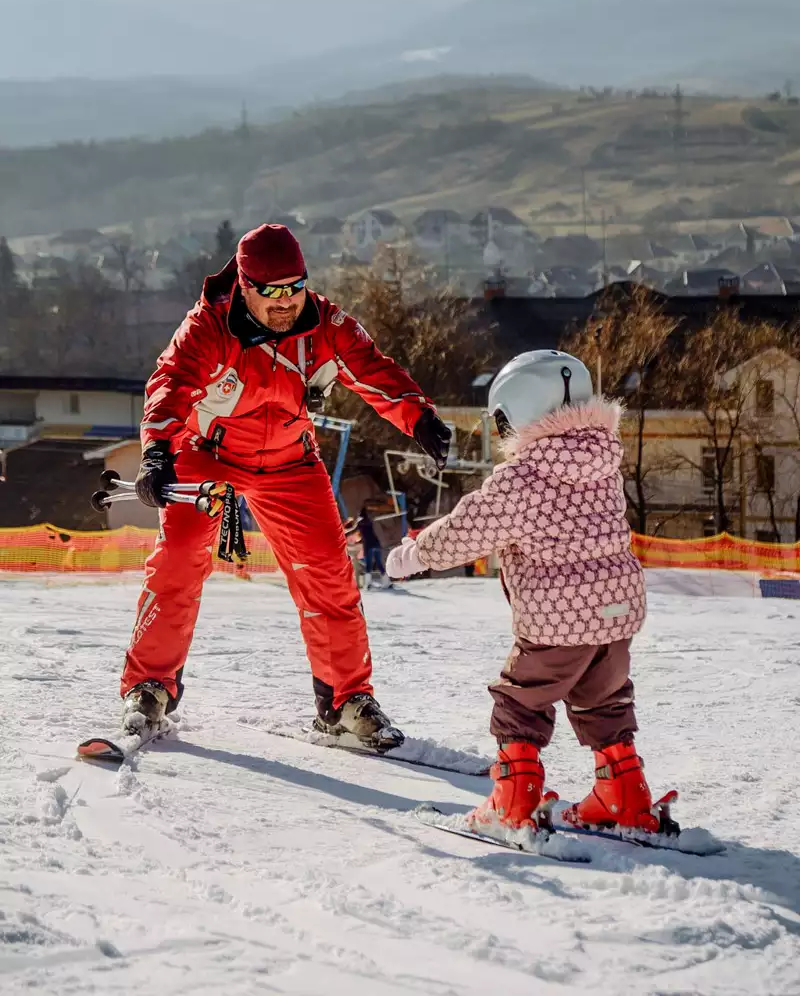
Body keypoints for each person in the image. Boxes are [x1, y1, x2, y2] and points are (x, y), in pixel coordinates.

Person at [122, 223, 451, 747]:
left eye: (295, 286)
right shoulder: (209, 325)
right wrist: (157, 451)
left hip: (289, 461)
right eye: (272, 291)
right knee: (180, 557)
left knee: (329, 572)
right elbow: (172, 382)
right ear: (245, 286)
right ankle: (149, 685)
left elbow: (372, 370)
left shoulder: (325, 322)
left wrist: (420, 418)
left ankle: (346, 700)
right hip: (209, 454)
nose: (286, 302)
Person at [386, 349, 662, 834]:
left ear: (520, 411)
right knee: (605, 698)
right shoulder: (603, 462)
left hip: (560, 616)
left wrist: (415, 554)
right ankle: (623, 793)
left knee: (521, 700)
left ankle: (513, 801)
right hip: (617, 611)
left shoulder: (525, 476)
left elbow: (470, 528)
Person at [357, 504, 391, 590]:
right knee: (379, 564)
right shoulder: (370, 522)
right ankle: (387, 581)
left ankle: (368, 584)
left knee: (368, 565)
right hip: (376, 543)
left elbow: (358, 530)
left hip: (369, 545)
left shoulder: (360, 523)